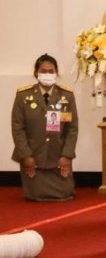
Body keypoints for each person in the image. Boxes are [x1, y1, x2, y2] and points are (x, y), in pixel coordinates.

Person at [11, 54, 78, 201]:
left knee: (65, 193)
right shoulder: (23, 96)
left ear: (56, 72)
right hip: (33, 156)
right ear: (36, 73)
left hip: (57, 155)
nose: (47, 74)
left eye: (51, 71)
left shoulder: (66, 96)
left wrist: (66, 155)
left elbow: (72, 128)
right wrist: (26, 156)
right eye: (43, 71)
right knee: (34, 196)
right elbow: (17, 128)